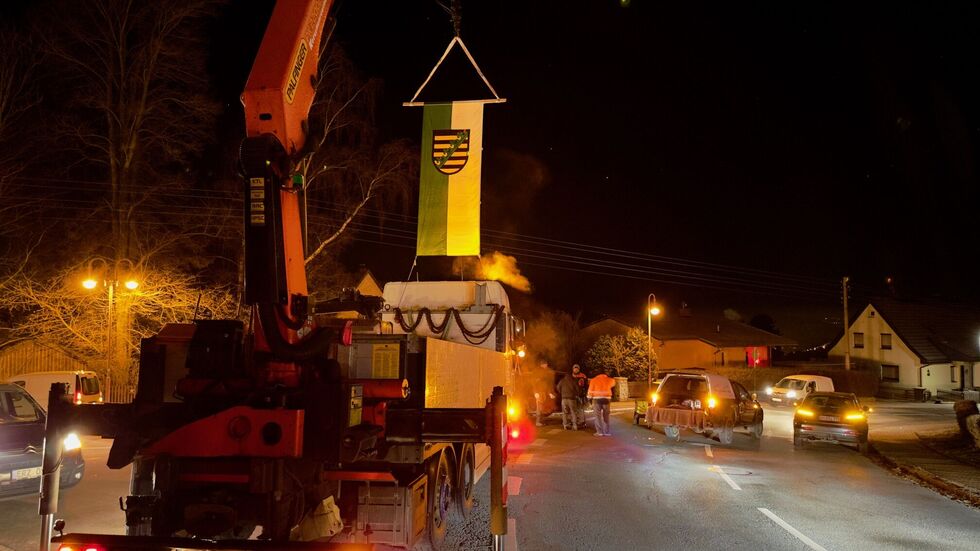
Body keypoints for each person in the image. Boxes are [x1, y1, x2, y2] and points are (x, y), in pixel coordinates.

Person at [587, 368, 617, 436]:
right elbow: (614, 383)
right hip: (607, 399)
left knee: (597, 416)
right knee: (606, 416)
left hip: (596, 399)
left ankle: (599, 432)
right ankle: (607, 432)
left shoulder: (593, 380)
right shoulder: (609, 379)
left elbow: (590, 391)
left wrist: (589, 399)